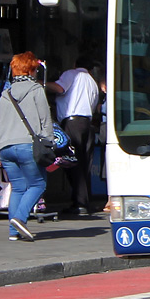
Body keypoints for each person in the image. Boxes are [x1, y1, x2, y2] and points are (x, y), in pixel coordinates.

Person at [0, 51, 53, 241]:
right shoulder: (36, 90)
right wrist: (49, 145)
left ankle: (13, 233)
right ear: (31, 69)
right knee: (38, 184)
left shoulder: (5, 94)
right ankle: (20, 218)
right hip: (27, 145)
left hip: (5, 148)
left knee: (18, 187)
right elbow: (46, 121)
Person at [47, 56, 102, 215]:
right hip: (87, 124)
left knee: (71, 161)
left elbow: (59, 88)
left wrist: (42, 84)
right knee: (84, 164)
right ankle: (83, 202)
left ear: (75, 64)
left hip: (72, 123)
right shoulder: (92, 82)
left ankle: (80, 204)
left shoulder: (72, 74)